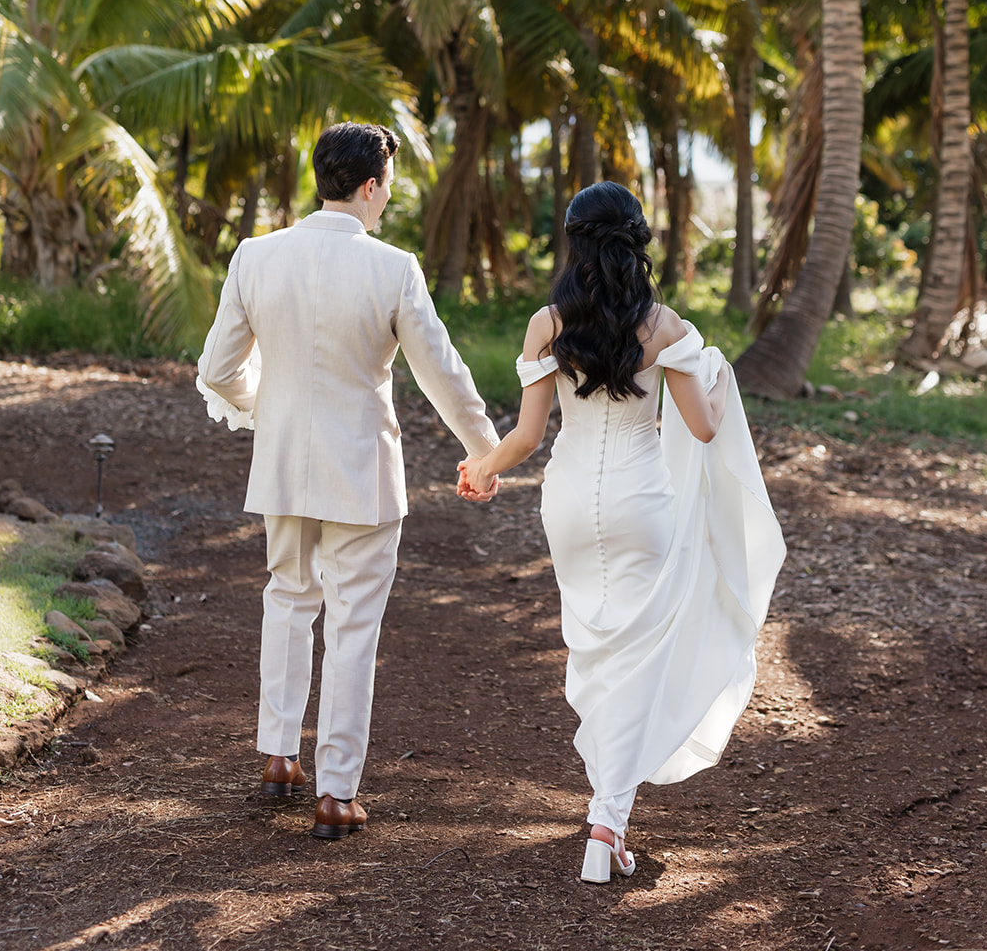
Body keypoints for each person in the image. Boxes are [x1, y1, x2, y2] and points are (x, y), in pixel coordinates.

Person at [458, 181, 785, 885]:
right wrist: (711, 368)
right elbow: (701, 427)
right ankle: (606, 822)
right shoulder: (662, 327)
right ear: (637, 241)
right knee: (639, 655)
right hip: (643, 502)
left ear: (575, 240)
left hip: (571, 502)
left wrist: (481, 467)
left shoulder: (546, 324)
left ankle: (608, 813)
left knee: (596, 649)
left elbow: (525, 435)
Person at [197, 121, 500, 841]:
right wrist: (484, 451)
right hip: (362, 471)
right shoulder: (392, 267)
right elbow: (441, 374)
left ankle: (277, 756)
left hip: (280, 469)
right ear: (369, 185)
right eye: (387, 186)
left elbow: (216, 371)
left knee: (287, 601)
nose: (388, 200)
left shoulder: (255, 255)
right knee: (353, 629)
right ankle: (335, 793)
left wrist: (262, 410)